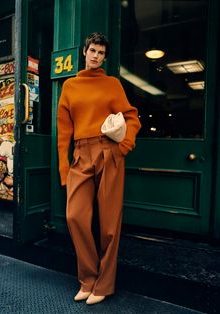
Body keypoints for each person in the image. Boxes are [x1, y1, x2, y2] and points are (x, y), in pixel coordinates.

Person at [57, 32, 141, 305]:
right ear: (84, 51)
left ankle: (104, 284)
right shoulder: (70, 85)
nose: (96, 56)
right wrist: (64, 168)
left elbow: (131, 116)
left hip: (109, 152)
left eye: (101, 53)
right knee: (75, 216)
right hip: (81, 153)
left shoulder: (112, 84)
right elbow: (63, 131)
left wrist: (124, 145)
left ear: (105, 56)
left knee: (108, 224)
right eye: (92, 50)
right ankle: (88, 278)